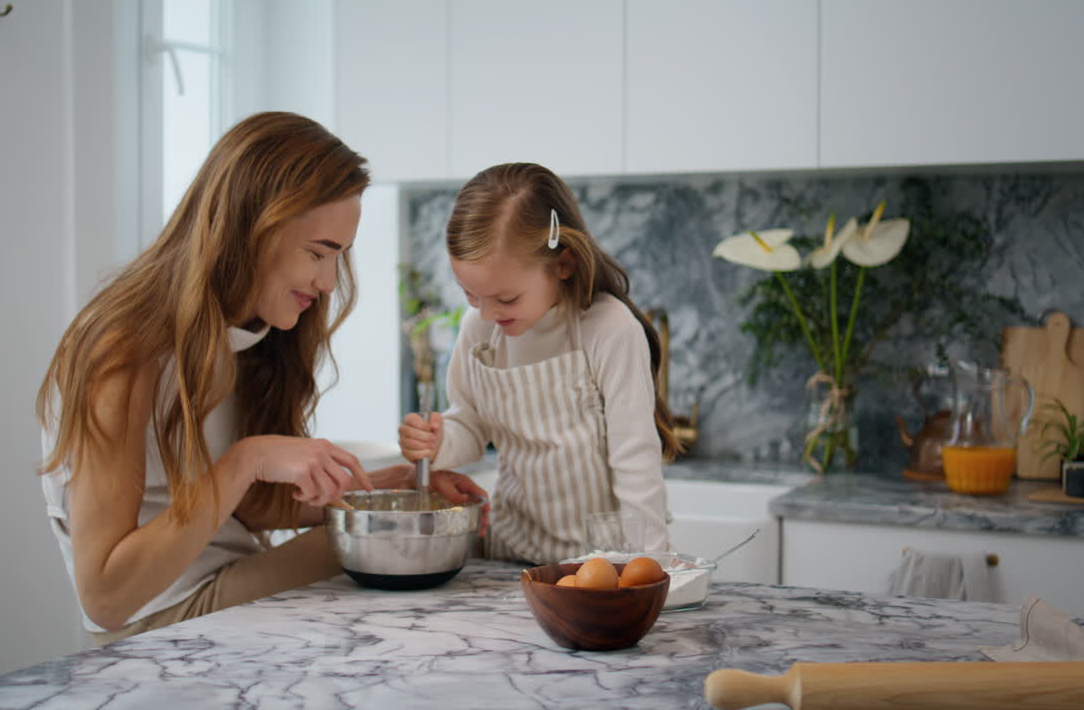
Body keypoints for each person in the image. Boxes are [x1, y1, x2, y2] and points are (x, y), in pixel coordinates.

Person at [37, 111, 485, 643]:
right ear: (252, 229)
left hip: (227, 575)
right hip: (151, 619)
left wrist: (397, 488)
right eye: (317, 253)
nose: (327, 282)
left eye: (338, 258)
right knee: (399, 550)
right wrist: (247, 460)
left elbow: (244, 508)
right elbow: (107, 598)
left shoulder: (248, 335)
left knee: (412, 534)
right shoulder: (121, 351)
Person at [398, 162, 679, 565]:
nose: (487, 313)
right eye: (471, 295)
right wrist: (439, 441)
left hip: (602, 565)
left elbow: (635, 460)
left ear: (563, 264)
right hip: (510, 556)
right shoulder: (480, 330)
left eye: (506, 299)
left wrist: (650, 566)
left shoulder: (608, 328)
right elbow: (471, 426)